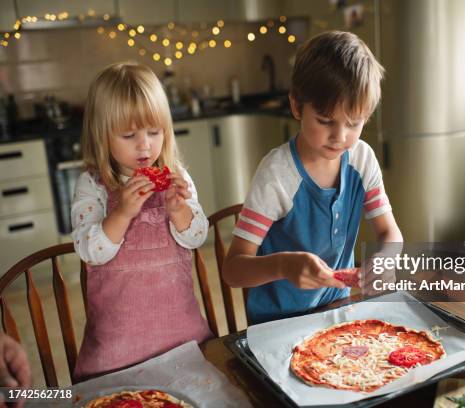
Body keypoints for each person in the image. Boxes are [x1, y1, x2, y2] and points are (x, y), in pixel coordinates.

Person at [223, 31, 403, 324]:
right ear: (296, 106)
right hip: (278, 323)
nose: (340, 137)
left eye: (353, 123)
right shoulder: (277, 175)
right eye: (325, 121)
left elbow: (390, 233)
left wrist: (387, 258)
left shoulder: (361, 158)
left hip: (338, 309)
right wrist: (283, 266)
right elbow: (233, 270)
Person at [71, 62, 213, 379]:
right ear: (102, 136)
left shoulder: (176, 176)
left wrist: (179, 211)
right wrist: (121, 213)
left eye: (154, 131)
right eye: (128, 134)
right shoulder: (92, 184)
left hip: (183, 341)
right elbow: (89, 250)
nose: (144, 144)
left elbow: (198, 236)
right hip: (116, 353)